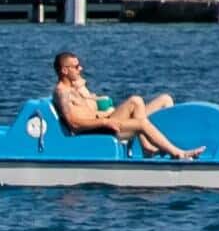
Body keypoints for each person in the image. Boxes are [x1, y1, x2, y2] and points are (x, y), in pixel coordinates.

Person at [51, 51, 201, 160]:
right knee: (141, 124)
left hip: (100, 123)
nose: (80, 69)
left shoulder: (73, 88)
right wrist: (104, 121)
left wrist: (104, 114)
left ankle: (147, 148)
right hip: (92, 131)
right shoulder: (62, 92)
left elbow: (88, 112)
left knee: (135, 100)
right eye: (76, 67)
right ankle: (177, 153)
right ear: (65, 70)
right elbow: (73, 124)